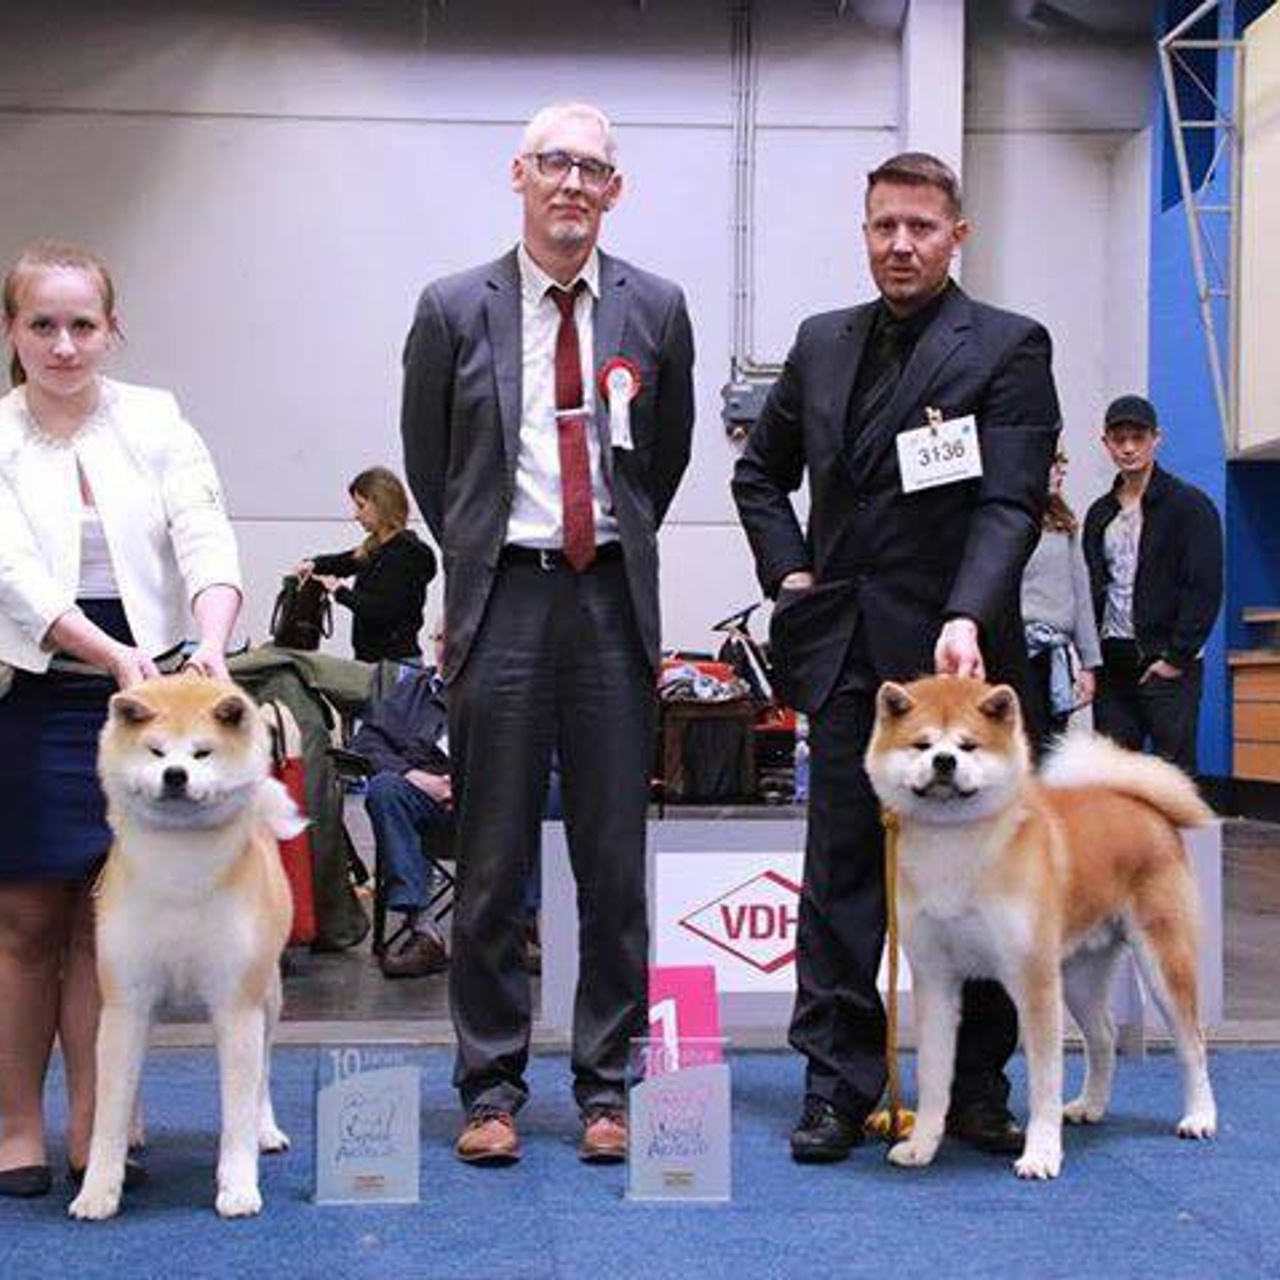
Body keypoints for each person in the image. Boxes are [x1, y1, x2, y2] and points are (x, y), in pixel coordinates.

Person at [732, 152, 1061, 1163]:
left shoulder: (1005, 346)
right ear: (862, 229)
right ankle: (837, 1085)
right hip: (845, 663)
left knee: (986, 886)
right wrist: (789, 573)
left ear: (955, 236)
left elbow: (1008, 500)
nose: (899, 245)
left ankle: (972, 1090)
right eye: (882, 226)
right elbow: (758, 475)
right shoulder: (819, 344)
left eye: (920, 227)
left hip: (959, 670)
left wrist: (966, 610)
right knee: (838, 877)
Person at [400, 101, 694, 1166]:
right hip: (504, 599)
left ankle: (607, 1086)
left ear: (614, 191)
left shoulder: (656, 308)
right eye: (554, 163)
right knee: (488, 863)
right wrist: (482, 561)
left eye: (593, 169)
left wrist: (603, 542)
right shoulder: (449, 308)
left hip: (612, 599)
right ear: (517, 174)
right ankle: (489, 1086)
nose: (571, 183)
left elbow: (660, 461)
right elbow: (432, 468)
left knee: (614, 862)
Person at [0, 242, 242, 1197]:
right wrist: (104, 657)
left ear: (113, 329)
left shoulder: (157, 419)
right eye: (41, 326)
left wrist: (213, 636)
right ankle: (17, 1122)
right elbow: (14, 575)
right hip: (34, 680)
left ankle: (102, 1121)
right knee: (25, 918)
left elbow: (204, 528)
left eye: (81, 325)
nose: (63, 345)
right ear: (13, 333)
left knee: (110, 917)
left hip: (150, 694)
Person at [354, 629, 560, 980]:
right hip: (427, 796)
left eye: (458, 636)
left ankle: (520, 926)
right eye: (439, 637)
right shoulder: (412, 690)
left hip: (496, 801)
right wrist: (413, 776)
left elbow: (548, 751)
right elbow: (368, 743)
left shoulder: (511, 689)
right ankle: (425, 932)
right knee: (385, 789)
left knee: (550, 787)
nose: (446, 645)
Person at [1083, 395, 1223, 774]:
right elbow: (1093, 586)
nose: (1128, 447)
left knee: (1174, 777)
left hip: (1167, 660)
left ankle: (1174, 838)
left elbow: (1205, 587)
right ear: (1106, 443)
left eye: (1138, 437)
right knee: (1110, 776)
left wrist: (1176, 658)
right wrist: (1090, 660)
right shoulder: (1099, 513)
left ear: (1155, 439)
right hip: (1113, 661)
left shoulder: (1190, 507)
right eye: (1119, 438)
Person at [298, 466, 436, 663]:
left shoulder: (407, 555)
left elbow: (383, 611)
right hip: (372, 664)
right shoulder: (376, 549)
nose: (356, 515)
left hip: (394, 666)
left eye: (361, 506)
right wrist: (314, 564)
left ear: (382, 505)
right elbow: (345, 562)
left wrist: (339, 591)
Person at [1021, 448, 1101, 757]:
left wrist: (1089, 664)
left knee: (1054, 746)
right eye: (1054, 463)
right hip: (1017, 650)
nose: (1061, 470)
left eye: (1062, 463)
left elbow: (1080, 593)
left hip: (1055, 655)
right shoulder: (1007, 523)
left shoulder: (1063, 523)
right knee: (1025, 746)